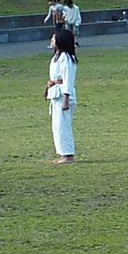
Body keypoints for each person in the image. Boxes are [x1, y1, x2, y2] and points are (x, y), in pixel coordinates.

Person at [45, 28, 77, 164]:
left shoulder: (66, 58)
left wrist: (66, 99)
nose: (52, 41)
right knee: (57, 126)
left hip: (63, 94)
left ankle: (68, 155)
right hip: (56, 93)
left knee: (63, 125)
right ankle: (63, 153)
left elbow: (68, 79)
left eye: (54, 39)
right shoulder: (56, 56)